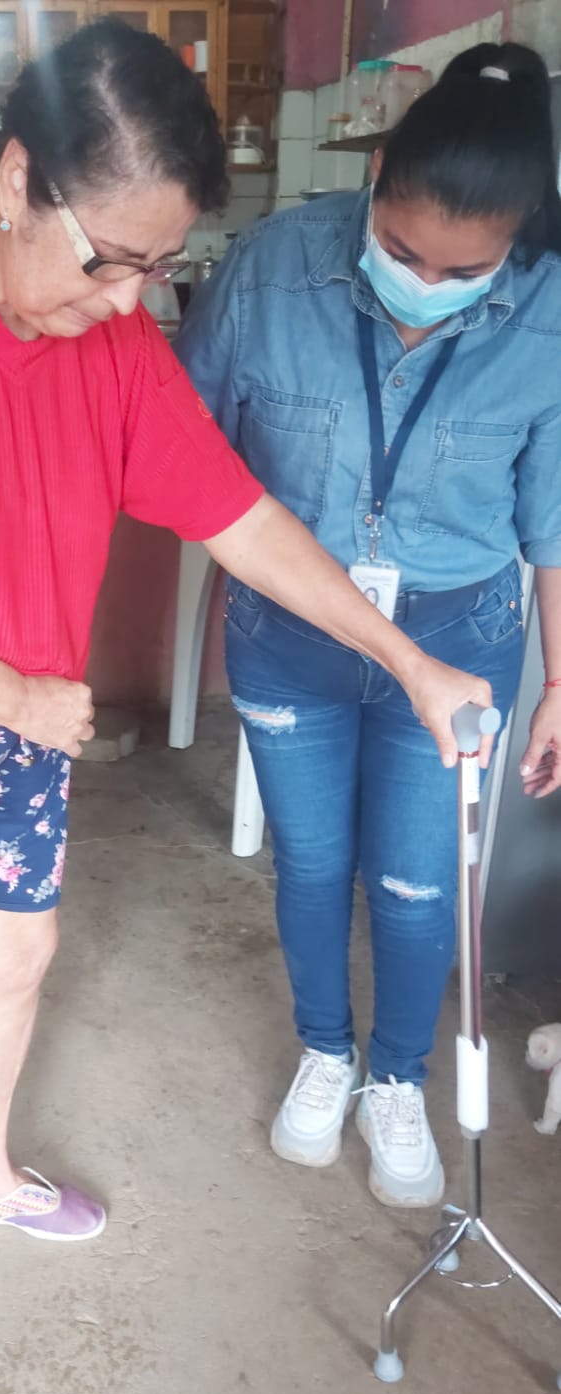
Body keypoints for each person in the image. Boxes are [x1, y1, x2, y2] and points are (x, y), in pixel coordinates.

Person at [0, 21, 490, 1394]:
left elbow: (240, 515)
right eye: (110, 260)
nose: (126, 302)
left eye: (156, 268)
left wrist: (407, 660)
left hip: (23, 709)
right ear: (17, 181)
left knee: (17, 954)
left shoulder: (111, 335)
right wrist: (20, 697)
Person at [176, 42, 561, 1211]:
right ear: (377, 173)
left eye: (465, 271)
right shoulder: (273, 267)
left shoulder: (550, 314)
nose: (425, 284)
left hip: (460, 644)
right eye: (400, 251)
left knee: (414, 884)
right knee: (311, 863)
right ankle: (326, 1050)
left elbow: (552, 520)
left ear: (517, 239)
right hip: (290, 630)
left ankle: (396, 1075)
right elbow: (189, 449)